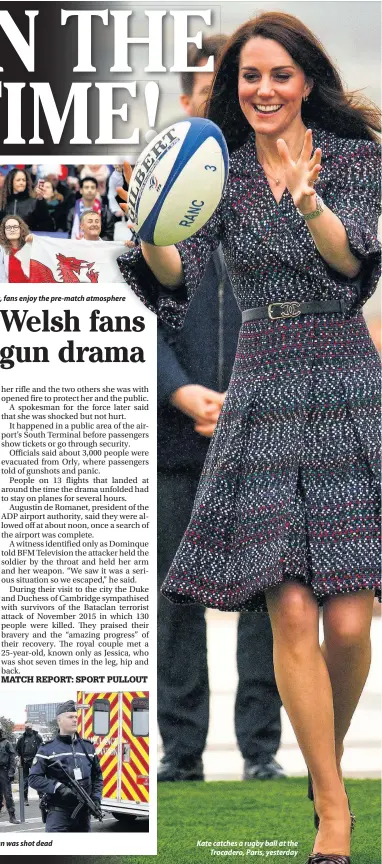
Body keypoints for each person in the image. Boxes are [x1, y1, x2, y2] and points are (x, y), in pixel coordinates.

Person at [118, 11, 381, 863]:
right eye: (247, 77)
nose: (261, 90)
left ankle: (320, 768)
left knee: (349, 623)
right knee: (291, 608)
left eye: (277, 75)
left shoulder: (354, 161)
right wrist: (153, 228)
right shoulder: (220, 175)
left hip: (342, 378)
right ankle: (333, 815)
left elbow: (353, 264)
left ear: (307, 80)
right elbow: (179, 280)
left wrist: (308, 203)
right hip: (263, 386)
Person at [156, 35, 284, 784]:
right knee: (178, 605)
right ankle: (180, 756)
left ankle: (261, 755)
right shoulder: (146, 203)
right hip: (174, 439)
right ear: (186, 103)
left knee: (266, 600)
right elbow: (123, 320)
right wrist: (180, 390)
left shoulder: (275, 188)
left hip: (263, 433)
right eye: (209, 90)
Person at [28, 700, 103, 833]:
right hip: (58, 813)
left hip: (83, 815)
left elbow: (97, 776)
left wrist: (96, 798)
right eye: (70, 717)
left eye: (76, 717)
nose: (75, 720)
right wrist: (58, 787)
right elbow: (33, 778)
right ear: (59, 720)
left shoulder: (87, 747)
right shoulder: (47, 749)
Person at [68, 177, 114, 241]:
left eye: (92, 187)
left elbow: (109, 236)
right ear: (81, 190)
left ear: (97, 190)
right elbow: (69, 234)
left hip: (99, 247)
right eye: (86, 187)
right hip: (77, 246)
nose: (89, 190)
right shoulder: (72, 211)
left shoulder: (105, 211)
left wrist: (92, 243)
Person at [16, 722, 43, 805]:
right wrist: (20, 758)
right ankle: (25, 798)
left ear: (32, 727)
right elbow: (17, 750)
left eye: (29, 726)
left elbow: (42, 748)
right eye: (27, 727)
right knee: (25, 781)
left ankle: (41, 797)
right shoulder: (22, 738)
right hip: (25, 762)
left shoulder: (37, 737)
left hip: (35, 761)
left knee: (38, 778)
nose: (28, 728)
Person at [0, 215, 32, 282]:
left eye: (15, 227)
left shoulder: (31, 247)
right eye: (8, 227)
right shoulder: (1, 250)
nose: (12, 230)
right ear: (4, 231)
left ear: (21, 229)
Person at [0, 724, 20, 824]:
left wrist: (11, 772)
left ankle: (12, 816)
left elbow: (12, 758)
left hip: (4, 771)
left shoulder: (6, 743)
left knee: (7, 795)